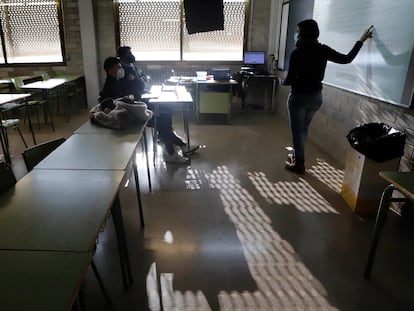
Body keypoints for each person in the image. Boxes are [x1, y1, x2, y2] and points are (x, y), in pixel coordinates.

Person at [281, 20, 373, 174]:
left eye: (298, 31)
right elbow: (347, 59)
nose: (296, 34)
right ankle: (297, 156)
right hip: (316, 98)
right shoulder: (322, 49)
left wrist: (281, 81)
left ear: (303, 33)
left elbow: (289, 80)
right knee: (303, 129)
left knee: (298, 132)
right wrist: (361, 40)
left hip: (298, 98)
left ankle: (299, 164)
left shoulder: (297, 53)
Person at [116, 46, 200, 164]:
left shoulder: (131, 67)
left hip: (143, 99)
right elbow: (132, 88)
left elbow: (141, 82)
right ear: (122, 56)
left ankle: (173, 142)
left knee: (165, 109)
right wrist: (141, 83)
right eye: (129, 53)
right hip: (136, 106)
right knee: (162, 117)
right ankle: (172, 151)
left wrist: (142, 81)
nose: (132, 55)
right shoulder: (122, 70)